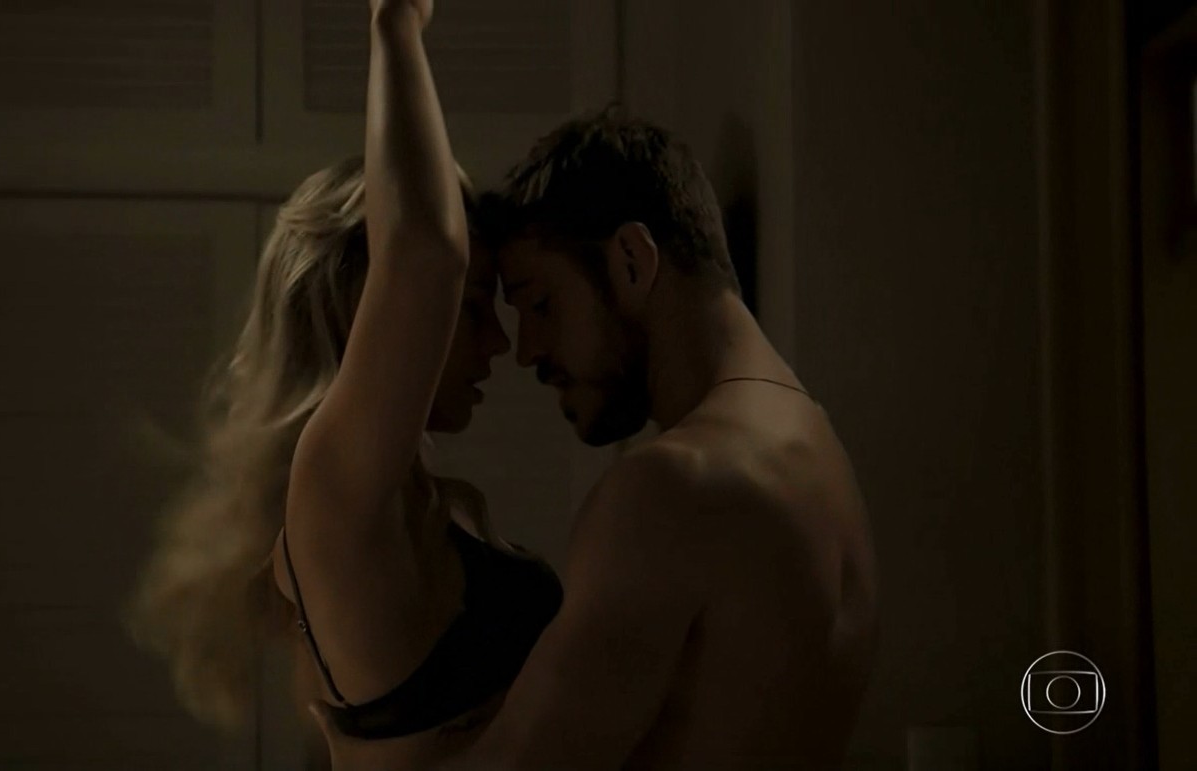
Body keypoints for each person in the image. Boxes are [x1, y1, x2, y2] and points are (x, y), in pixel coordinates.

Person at [310, 110, 881, 770]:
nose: (526, 350)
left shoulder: (673, 489)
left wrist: (362, 744)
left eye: (541, 304)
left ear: (632, 260)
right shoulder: (821, 452)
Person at [126, 0, 565, 768]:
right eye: (470, 309)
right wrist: (396, 21)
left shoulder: (415, 500)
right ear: (368, 306)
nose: (500, 343)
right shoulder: (335, 485)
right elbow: (425, 250)